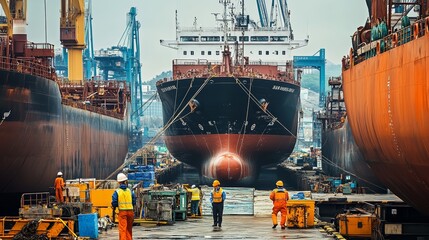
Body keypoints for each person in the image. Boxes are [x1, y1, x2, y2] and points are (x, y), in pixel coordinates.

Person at [112, 173, 136, 240]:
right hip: (130, 212)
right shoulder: (130, 191)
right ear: (125, 181)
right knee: (129, 229)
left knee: (123, 229)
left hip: (122, 212)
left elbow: (114, 202)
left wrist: (115, 206)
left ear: (118, 182)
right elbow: (134, 201)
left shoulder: (117, 192)